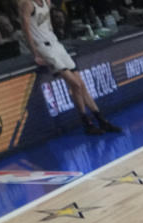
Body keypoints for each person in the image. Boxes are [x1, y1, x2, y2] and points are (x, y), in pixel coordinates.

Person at [19, 0, 121, 134]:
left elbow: (48, 23)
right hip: (44, 48)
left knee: (81, 84)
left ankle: (102, 121)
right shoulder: (27, 4)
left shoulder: (46, 2)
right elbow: (25, 28)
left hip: (56, 44)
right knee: (75, 85)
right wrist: (35, 52)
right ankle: (87, 123)